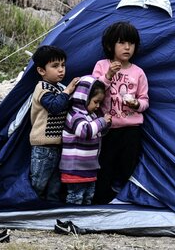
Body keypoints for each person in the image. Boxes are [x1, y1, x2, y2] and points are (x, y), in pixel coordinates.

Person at [92, 21, 149, 204]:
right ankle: (101, 198)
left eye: (131, 44)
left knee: (128, 165)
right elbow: (93, 92)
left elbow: (145, 100)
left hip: (131, 129)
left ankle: (124, 199)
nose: (127, 47)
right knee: (105, 164)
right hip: (107, 127)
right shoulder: (102, 66)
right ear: (110, 46)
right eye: (122, 43)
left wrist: (136, 104)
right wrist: (108, 76)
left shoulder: (138, 72)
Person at [29, 45, 80, 201]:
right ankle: (31, 208)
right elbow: (55, 107)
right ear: (41, 71)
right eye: (55, 66)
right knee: (38, 183)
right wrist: (68, 90)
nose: (61, 70)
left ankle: (49, 212)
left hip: (58, 146)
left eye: (63, 65)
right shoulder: (42, 88)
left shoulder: (59, 88)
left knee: (55, 186)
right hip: (43, 148)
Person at [60, 76, 112, 205]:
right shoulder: (74, 115)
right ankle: (70, 220)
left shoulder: (92, 116)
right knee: (76, 197)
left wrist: (106, 124)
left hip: (89, 168)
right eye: (96, 102)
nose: (98, 106)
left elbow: (97, 132)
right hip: (75, 169)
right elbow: (86, 131)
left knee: (88, 197)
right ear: (84, 98)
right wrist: (101, 121)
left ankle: (82, 222)